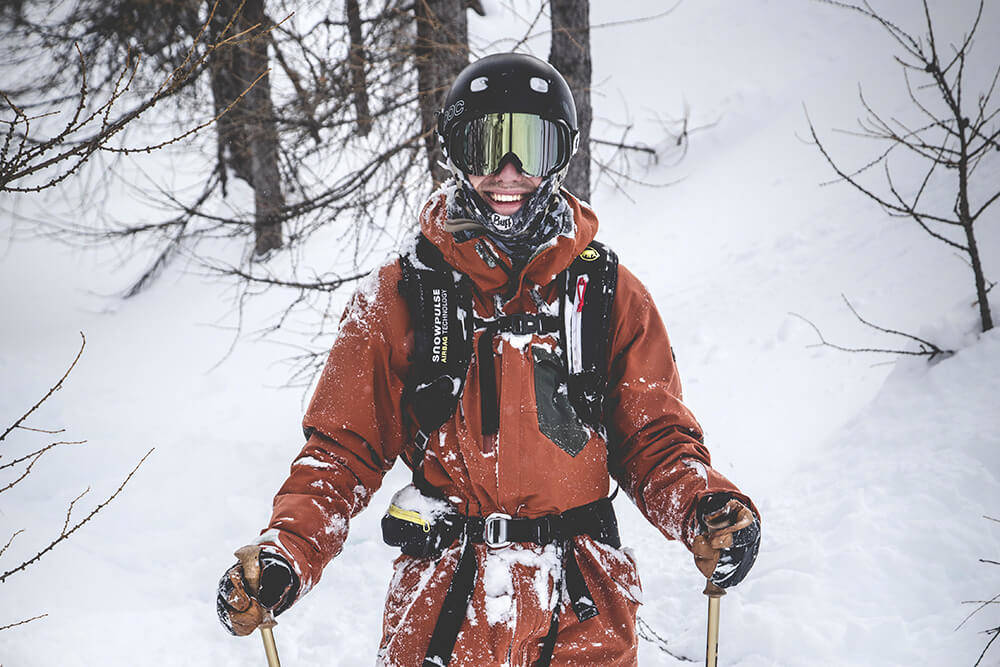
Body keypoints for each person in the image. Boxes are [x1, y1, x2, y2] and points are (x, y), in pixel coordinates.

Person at [217, 53, 761, 666]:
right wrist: (287, 550)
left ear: (561, 156)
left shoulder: (607, 293)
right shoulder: (400, 296)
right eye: (486, 146)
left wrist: (703, 506)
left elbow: (655, 437)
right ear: (454, 154)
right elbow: (340, 452)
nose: (509, 172)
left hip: (583, 609)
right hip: (446, 608)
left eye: (530, 145)